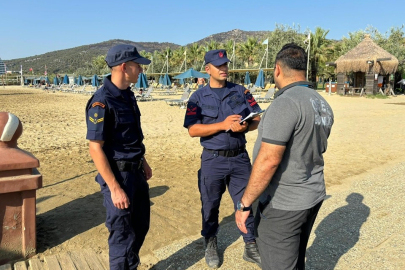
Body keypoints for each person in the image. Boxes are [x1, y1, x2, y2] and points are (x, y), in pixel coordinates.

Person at [235, 43, 334, 270]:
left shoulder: (285, 102)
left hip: (284, 203)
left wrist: (245, 203)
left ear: (277, 69)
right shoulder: (321, 103)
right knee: (295, 259)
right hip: (312, 194)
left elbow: (269, 160)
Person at [183, 49, 262, 268]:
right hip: (212, 160)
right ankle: (210, 242)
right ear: (208, 69)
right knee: (210, 205)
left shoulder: (240, 91)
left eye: (226, 65)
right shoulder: (197, 97)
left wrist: (245, 126)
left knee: (246, 203)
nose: (224, 69)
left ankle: (250, 244)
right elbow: (192, 130)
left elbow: (257, 119)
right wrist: (223, 125)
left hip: (239, 159)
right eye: (219, 66)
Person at [85, 44, 152, 270]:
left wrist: (143, 161)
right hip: (117, 175)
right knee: (122, 233)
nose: (140, 71)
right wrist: (114, 188)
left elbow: (131, 136)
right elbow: (95, 148)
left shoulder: (128, 96)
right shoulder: (101, 101)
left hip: (136, 171)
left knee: (140, 225)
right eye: (137, 66)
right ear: (124, 67)